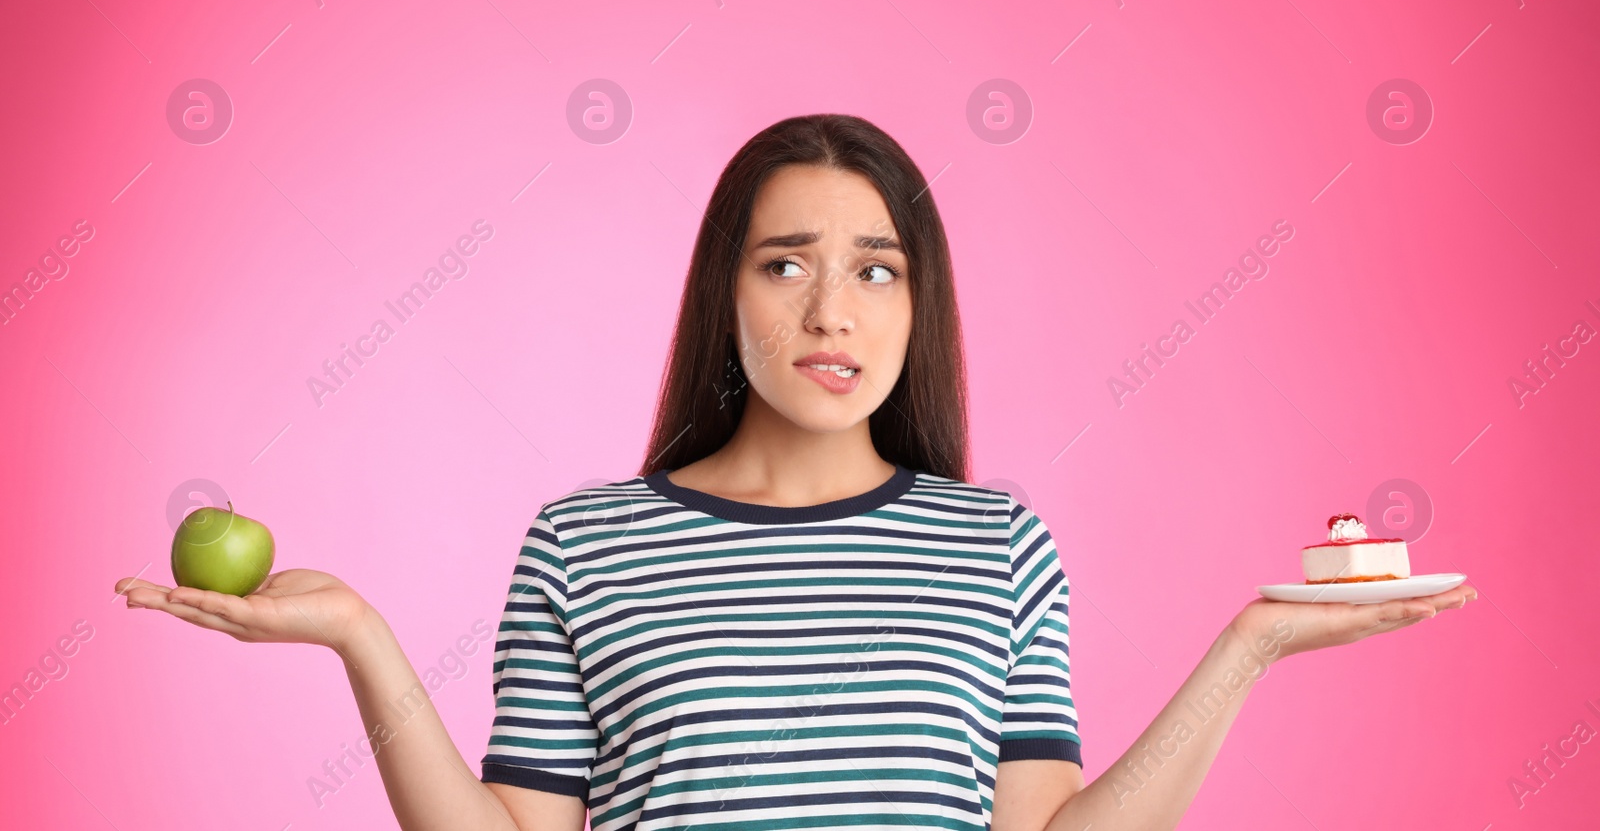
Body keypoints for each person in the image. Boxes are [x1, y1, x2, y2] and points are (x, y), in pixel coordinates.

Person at [115, 113, 1476, 831]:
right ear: (729, 291)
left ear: (917, 302)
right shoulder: (584, 544)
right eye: (787, 264)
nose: (833, 310)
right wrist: (359, 637)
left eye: (876, 269)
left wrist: (1244, 651)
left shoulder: (996, 542)